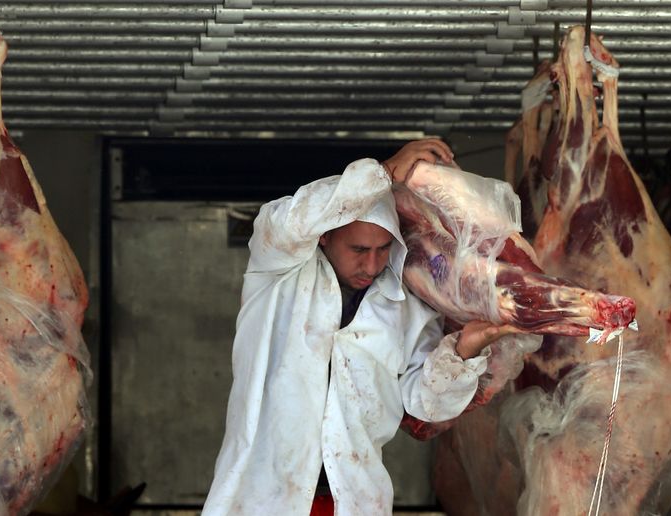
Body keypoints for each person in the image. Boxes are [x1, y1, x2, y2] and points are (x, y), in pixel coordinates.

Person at [202, 139, 509, 516]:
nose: (372, 264)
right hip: (263, 496)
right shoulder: (278, 270)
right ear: (326, 235)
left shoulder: (405, 310)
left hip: (353, 498)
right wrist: (381, 174)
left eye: (384, 249)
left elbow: (425, 403)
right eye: (359, 250)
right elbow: (290, 220)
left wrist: (463, 352)